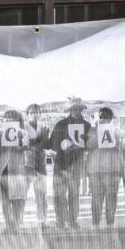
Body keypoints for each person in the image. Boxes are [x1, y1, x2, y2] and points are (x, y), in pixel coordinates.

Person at [49, 97, 92, 229]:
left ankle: (73, 220)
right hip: (60, 164)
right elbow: (52, 143)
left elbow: (90, 145)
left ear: (81, 110)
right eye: (74, 108)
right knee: (59, 194)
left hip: (76, 165)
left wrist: (85, 145)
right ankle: (60, 220)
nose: (76, 111)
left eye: (78, 108)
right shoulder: (60, 124)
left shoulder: (86, 125)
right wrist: (62, 144)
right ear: (70, 109)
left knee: (74, 194)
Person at [86, 107, 123, 227]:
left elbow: (122, 145)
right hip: (101, 169)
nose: (102, 120)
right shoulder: (94, 130)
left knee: (107, 196)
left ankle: (106, 224)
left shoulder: (115, 130)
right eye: (101, 118)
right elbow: (89, 145)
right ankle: (99, 224)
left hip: (107, 168)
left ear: (110, 120)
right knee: (100, 197)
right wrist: (98, 131)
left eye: (104, 118)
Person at [0, 109, 30, 230]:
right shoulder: (0, 132)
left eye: (11, 119)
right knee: (5, 201)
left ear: (17, 120)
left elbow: (25, 146)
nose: (8, 121)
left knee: (17, 199)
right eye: (6, 119)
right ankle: (9, 225)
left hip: (16, 169)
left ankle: (15, 223)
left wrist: (17, 138)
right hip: (3, 169)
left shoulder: (23, 133)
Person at [24, 104, 51, 230]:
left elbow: (46, 145)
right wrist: (39, 140)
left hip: (41, 164)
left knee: (41, 195)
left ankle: (42, 221)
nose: (34, 115)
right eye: (31, 113)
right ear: (27, 114)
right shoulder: (23, 128)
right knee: (22, 195)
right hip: (27, 164)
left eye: (36, 112)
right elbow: (27, 145)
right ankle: (18, 222)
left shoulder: (44, 127)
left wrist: (40, 142)